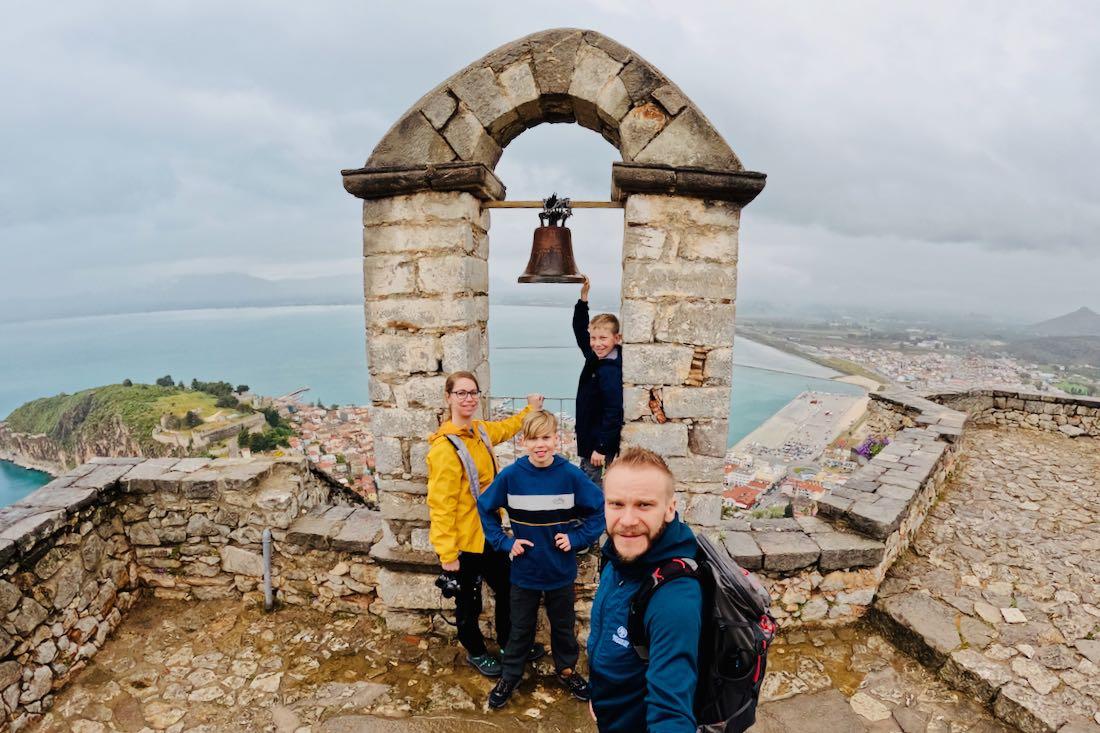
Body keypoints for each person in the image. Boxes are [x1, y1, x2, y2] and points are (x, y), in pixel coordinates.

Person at [477, 410, 606, 709]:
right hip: (524, 571)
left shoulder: (570, 475)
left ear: (557, 439)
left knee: (563, 625)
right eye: (534, 438)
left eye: (546, 437)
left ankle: (566, 670)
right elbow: (485, 509)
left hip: (561, 570)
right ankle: (510, 675)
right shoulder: (511, 476)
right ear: (524, 442)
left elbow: (598, 511)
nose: (540, 445)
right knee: (520, 627)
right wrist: (504, 542)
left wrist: (576, 539)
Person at [426, 370, 545, 677]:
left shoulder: (479, 431)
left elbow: (505, 428)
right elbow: (441, 504)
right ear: (448, 398)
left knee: (508, 587)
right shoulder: (445, 448)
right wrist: (446, 553)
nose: (468, 398)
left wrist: (529, 412)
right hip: (465, 541)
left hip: (488, 533)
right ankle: (476, 651)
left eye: (473, 392)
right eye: (461, 393)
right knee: (469, 602)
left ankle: (507, 643)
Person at [587, 446, 703, 733]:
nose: (627, 521)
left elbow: (671, 712)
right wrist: (599, 693)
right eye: (616, 504)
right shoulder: (618, 557)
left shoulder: (674, 599)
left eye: (644, 505)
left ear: (669, 509)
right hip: (610, 706)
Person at [573, 275, 624, 488]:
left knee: (590, 491)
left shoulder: (611, 370)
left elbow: (614, 411)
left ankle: (595, 522)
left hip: (597, 445)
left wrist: (601, 447)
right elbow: (579, 330)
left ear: (617, 339)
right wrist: (583, 300)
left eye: (603, 338)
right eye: (594, 338)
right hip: (590, 440)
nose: (596, 343)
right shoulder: (596, 357)